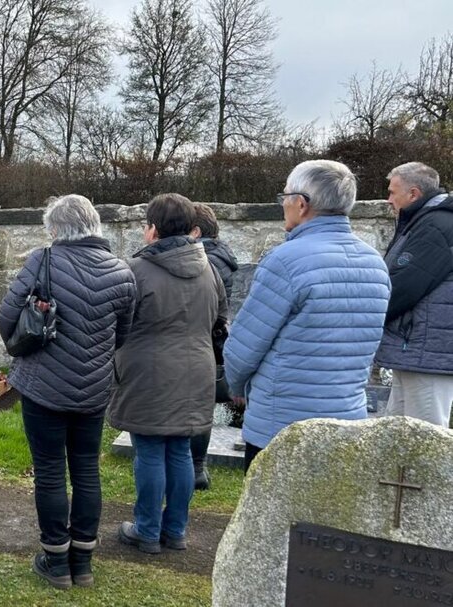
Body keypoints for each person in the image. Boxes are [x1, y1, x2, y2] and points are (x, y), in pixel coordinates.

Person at [0, 194, 136, 588]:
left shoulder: (42, 261)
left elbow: (6, 317)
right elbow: (121, 335)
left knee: (51, 472)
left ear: (55, 230)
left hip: (43, 387)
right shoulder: (123, 272)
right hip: (94, 389)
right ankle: (83, 562)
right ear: (94, 225)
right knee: (87, 470)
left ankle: (56, 561)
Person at [225, 160, 390, 471]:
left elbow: (243, 349)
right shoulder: (375, 263)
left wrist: (236, 387)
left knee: (270, 517)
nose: (282, 205)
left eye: (284, 197)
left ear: (301, 204)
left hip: (283, 425)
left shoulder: (285, 261)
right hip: (347, 422)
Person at [107, 193, 226, 555]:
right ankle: (175, 530)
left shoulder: (136, 271)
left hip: (149, 372)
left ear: (153, 229)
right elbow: (219, 321)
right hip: (197, 370)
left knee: (150, 451)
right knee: (180, 452)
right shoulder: (211, 270)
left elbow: (118, 324)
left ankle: (146, 529)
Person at [374, 163, 453, 427]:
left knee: (426, 436)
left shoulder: (436, 225)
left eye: (392, 192)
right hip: (416, 349)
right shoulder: (425, 221)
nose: (388, 199)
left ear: (414, 194)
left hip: (427, 352)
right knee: (398, 434)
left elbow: (404, 286)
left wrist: (369, 317)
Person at [188, 203, 239, 491]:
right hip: (207, 342)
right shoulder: (219, 255)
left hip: (199, 340)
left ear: (196, 231)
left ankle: (196, 466)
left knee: (196, 408)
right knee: (201, 407)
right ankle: (197, 467)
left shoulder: (207, 260)